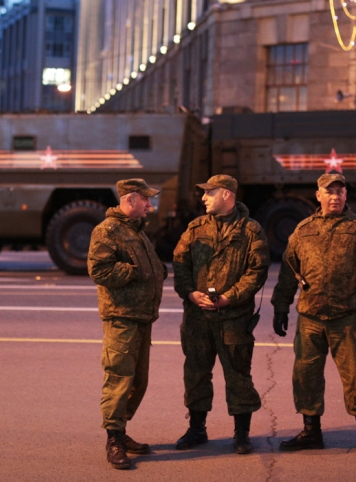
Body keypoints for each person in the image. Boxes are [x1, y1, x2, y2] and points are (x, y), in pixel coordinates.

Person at [271, 172, 356, 457]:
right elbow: (288, 270)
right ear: (318, 195)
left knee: (355, 377)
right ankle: (311, 432)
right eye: (329, 192)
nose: (334, 196)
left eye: (339, 191)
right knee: (306, 375)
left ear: (346, 195)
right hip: (310, 319)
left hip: (347, 318)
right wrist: (280, 306)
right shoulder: (303, 229)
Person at [172, 174, 270, 454]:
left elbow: (257, 271)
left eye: (209, 193)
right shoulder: (195, 228)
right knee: (196, 373)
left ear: (226, 194)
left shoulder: (251, 230)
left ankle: (241, 434)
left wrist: (230, 298)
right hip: (197, 318)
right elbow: (180, 263)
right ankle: (197, 429)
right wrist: (190, 293)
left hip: (234, 319)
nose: (203, 198)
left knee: (238, 375)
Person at [88, 178, 167, 470]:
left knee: (138, 381)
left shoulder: (136, 232)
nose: (150, 204)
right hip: (122, 317)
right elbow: (98, 269)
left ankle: (120, 429)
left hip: (141, 316)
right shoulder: (108, 231)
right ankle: (113, 440)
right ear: (130, 200)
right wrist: (133, 272)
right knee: (119, 379)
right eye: (145, 200)